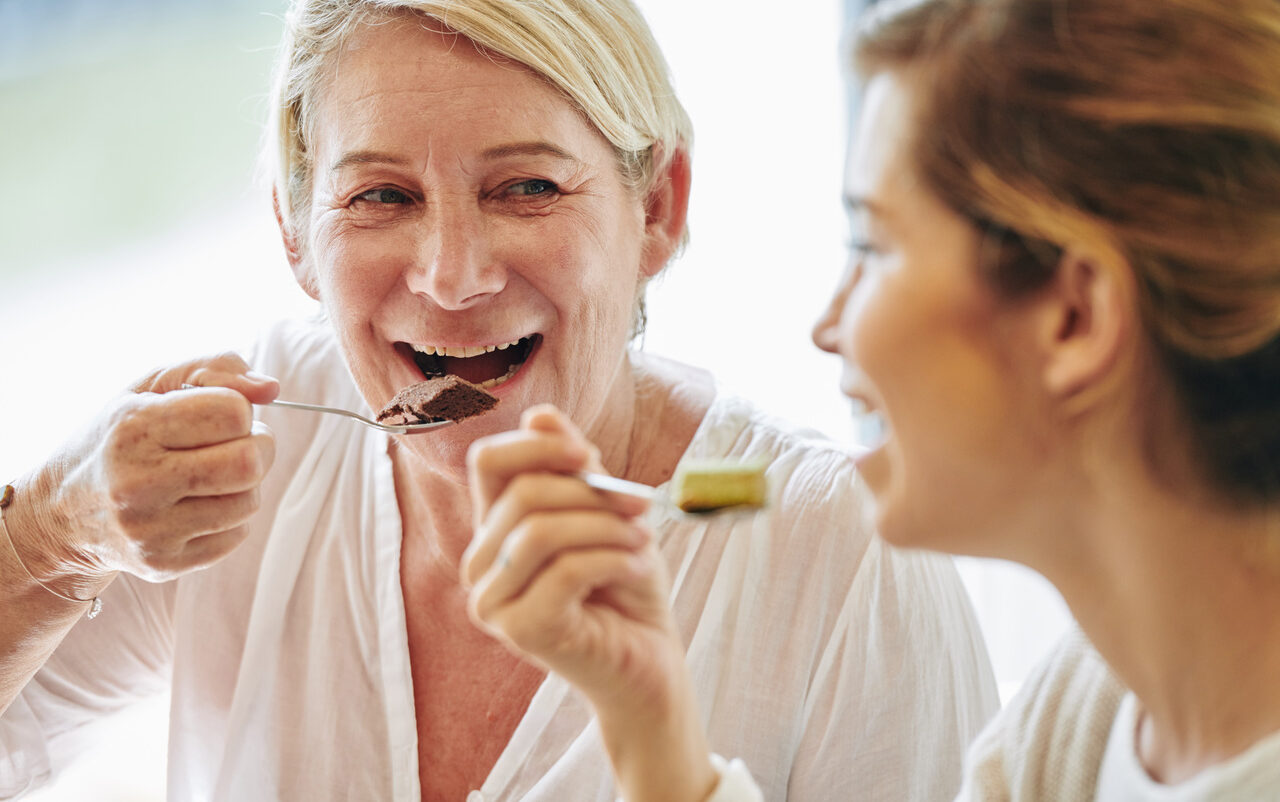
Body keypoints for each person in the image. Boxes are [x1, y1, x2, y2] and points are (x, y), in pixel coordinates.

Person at [0, 1, 1000, 799]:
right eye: (380, 197)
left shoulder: (839, 559)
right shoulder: (242, 462)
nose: (449, 275)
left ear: (656, 208)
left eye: (524, 188)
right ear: (294, 234)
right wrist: (53, 532)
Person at [464, 0, 1280, 799]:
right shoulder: (1095, 712)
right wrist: (655, 736)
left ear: (1075, 318)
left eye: (873, 246)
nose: (828, 327)